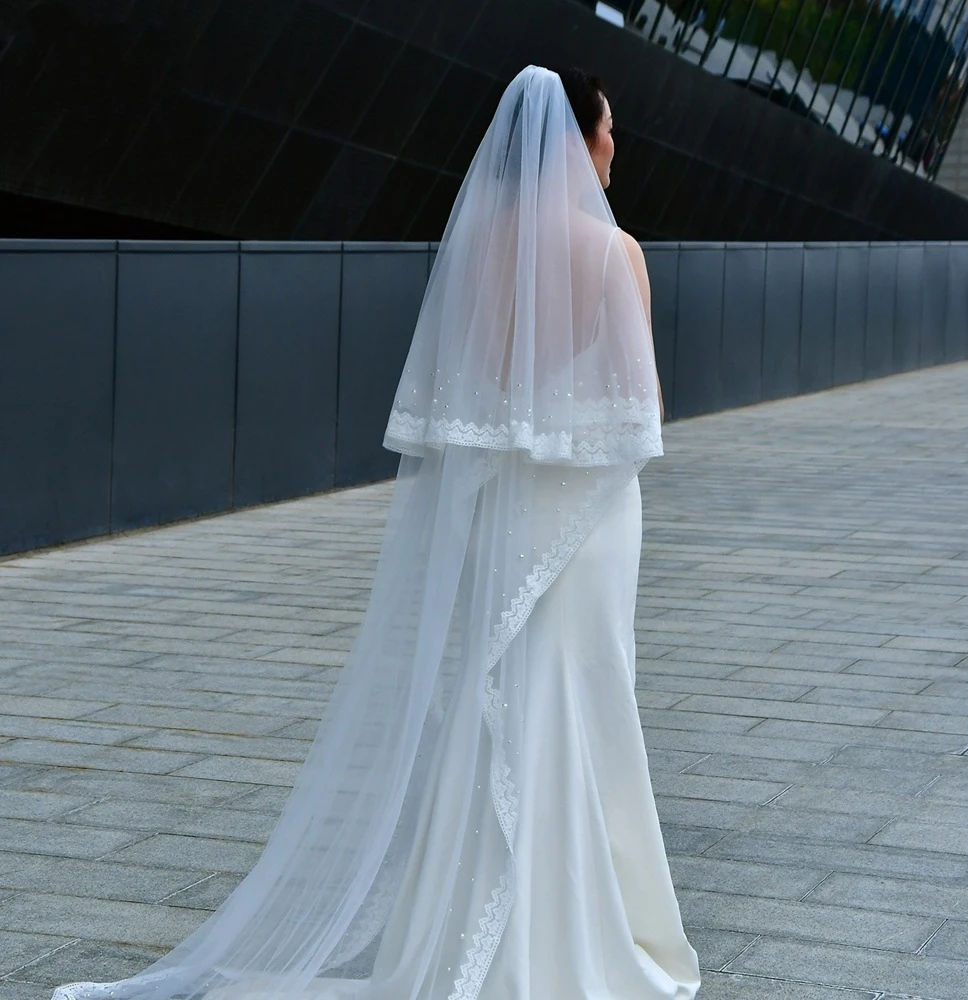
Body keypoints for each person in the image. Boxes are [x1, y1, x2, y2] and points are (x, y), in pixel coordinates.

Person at [53, 64, 700, 1000]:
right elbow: (642, 415)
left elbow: (472, 395)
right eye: (609, 133)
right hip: (590, 515)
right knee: (588, 691)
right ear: (580, 141)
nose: (615, 149)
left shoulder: (482, 244)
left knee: (509, 692)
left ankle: (479, 924)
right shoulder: (616, 253)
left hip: (505, 509)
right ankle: (573, 930)